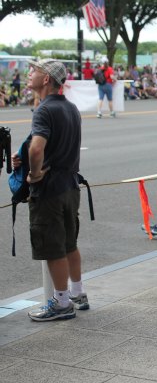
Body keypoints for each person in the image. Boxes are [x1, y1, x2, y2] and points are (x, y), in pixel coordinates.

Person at [12, 59, 89, 321]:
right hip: (70, 185)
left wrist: (33, 174)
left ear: (46, 79)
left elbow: (38, 148)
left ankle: (61, 303)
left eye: (34, 70)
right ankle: (78, 293)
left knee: (53, 247)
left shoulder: (44, 110)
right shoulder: (71, 108)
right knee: (70, 243)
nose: (29, 74)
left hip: (50, 189)